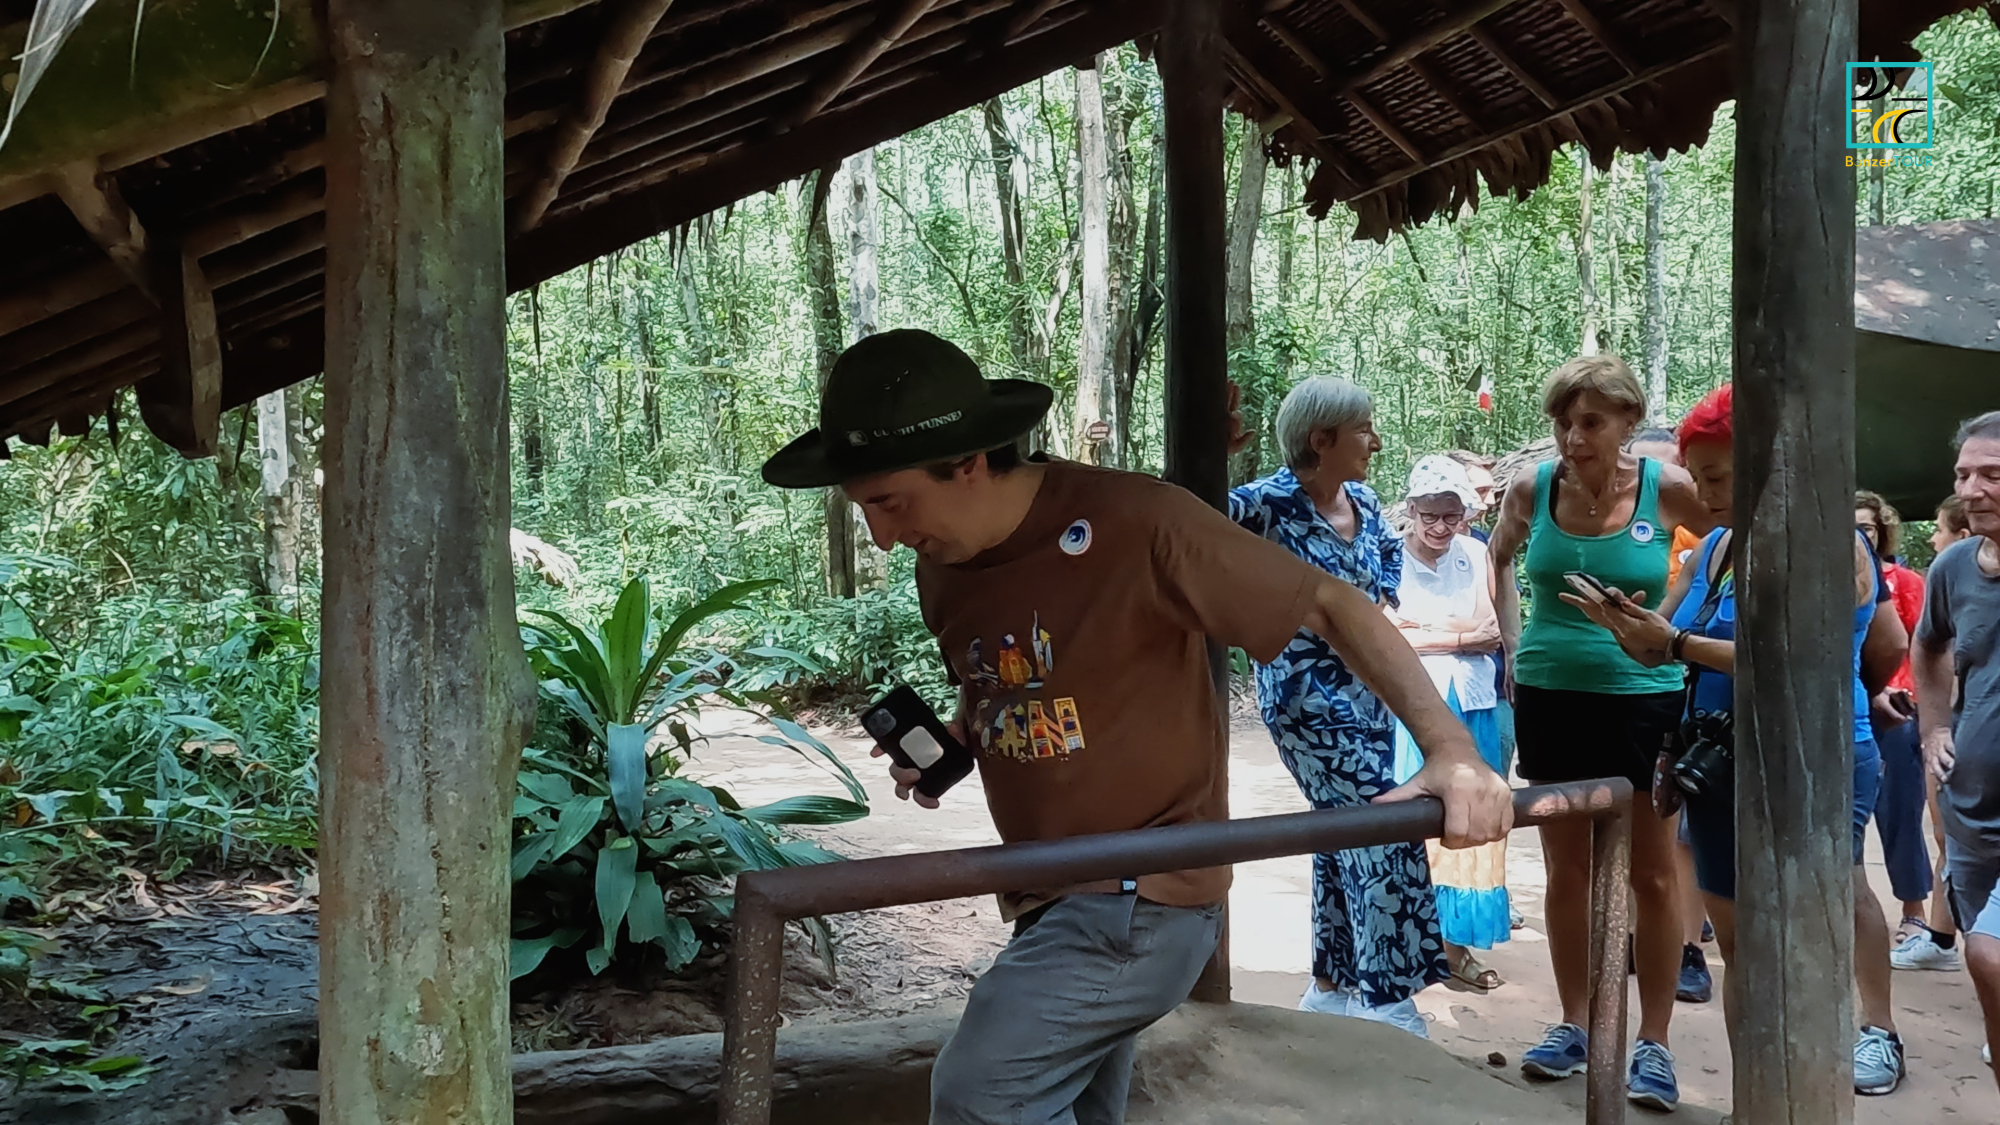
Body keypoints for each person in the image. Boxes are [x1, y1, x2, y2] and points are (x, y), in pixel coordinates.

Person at [762, 331, 1513, 1125]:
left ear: (969, 461)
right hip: (1048, 895)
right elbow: (996, 685)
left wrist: (1453, 750)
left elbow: (1331, 604)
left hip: (1143, 894)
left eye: (890, 502)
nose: (881, 535)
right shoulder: (940, 566)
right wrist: (955, 742)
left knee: (984, 1091)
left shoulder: (1139, 521)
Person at [1561, 383, 1915, 1098]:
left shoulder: (1833, 543)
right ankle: (1756, 1096)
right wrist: (1629, 628)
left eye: (1720, 475)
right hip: (1718, 761)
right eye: (1701, 475)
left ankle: (1873, 1032)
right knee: (1737, 936)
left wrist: (1681, 641)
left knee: (1832, 902)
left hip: (1817, 759)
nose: (1707, 490)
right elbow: (1662, 643)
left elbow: (1803, 661)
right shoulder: (1715, 546)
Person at [1487, 355, 1711, 1110]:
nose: (1573, 437)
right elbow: (1500, 557)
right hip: (1551, 695)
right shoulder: (1532, 487)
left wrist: (1668, 621)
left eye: (1590, 422)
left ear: (1626, 423)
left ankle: (1653, 1042)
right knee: (1568, 871)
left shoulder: (1668, 488)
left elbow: (1721, 551)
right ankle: (1576, 1023)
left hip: (1643, 699)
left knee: (1650, 871)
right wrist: (1516, 645)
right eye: (1563, 422)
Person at [1226, 377, 1453, 1037]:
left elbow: (1381, 582)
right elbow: (1185, 532)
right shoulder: (1260, 505)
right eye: (1365, 430)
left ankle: (1333, 982)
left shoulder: (1364, 498)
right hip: (1304, 695)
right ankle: (1387, 998)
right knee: (1384, 817)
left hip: (1369, 692)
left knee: (1342, 828)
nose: (1376, 442)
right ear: (1322, 439)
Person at [1388, 455, 1512, 991]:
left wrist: (1428, 630)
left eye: (1451, 516)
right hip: (1416, 707)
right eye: (1430, 516)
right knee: (1416, 823)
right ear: (1411, 510)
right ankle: (1412, 943)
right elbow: (1386, 638)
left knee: (1475, 820)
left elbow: (1494, 626)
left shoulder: (1476, 552)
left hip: (1479, 698)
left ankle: (1455, 947)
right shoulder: (1388, 559)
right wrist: (1460, 635)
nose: (1441, 528)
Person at [1914, 410, 2000, 1092]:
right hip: (1972, 812)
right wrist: (1934, 727)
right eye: (1963, 474)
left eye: (1992, 474)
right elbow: (1929, 645)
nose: (1972, 489)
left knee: (1989, 953)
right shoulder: (1952, 567)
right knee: (1985, 963)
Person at [1629, 425, 1716, 1004]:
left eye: (1669, 472)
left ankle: (1687, 945)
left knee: (1682, 832)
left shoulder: (1707, 536)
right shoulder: (1615, 527)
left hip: (1695, 685)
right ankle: (1642, 938)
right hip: (1642, 680)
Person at [1857, 491, 1945, 969]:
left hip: (1896, 708)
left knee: (1899, 812)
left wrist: (1893, 690)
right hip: (1851, 704)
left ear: (1882, 531)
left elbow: (1916, 646)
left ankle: (1913, 912)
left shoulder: (1906, 581)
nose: (1860, 535)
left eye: (1867, 528)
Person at [1903, 494, 1977, 969]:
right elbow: (1926, 648)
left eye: (1941, 529)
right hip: (1954, 732)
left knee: (1956, 842)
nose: (1933, 537)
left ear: (1963, 536)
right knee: (1948, 839)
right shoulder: (1950, 580)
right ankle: (1943, 938)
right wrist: (1934, 727)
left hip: (1971, 733)